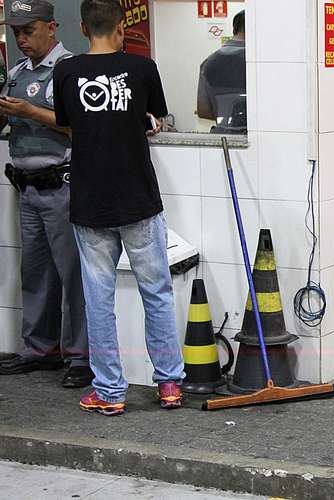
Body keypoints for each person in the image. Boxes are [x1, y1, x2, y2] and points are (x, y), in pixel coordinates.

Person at [53, 0, 185, 415]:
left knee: (98, 300)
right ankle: (169, 385)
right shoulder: (143, 69)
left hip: (90, 201)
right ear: (122, 24)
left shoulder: (66, 71)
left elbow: (69, 122)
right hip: (138, 198)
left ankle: (109, 391)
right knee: (157, 293)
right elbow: (155, 119)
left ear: (82, 26)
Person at [0, 0, 92, 388]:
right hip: (26, 186)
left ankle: (79, 355)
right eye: (17, 32)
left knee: (72, 273)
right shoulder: (17, 73)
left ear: (51, 27)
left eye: (29, 30)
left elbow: (80, 128)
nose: (22, 39)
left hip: (62, 185)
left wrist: (31, 111)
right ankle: (39, 348)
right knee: (35, 272)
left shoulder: (70, 69)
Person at [196, 10, 246, 134]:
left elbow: (203, 111)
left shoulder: (208, 63)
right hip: (254, 139)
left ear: (234, 29)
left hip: (222, 138)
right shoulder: (258, 62)